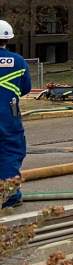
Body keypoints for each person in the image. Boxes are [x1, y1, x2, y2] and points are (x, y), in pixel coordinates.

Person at [0, 20, 32, 209]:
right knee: (9, 154)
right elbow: (25, 88)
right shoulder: (18, 62)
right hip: (8, 119)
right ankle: (9, 196)